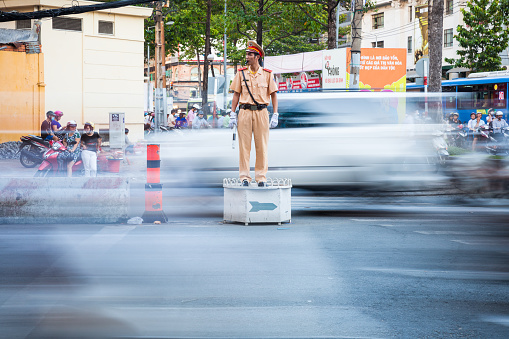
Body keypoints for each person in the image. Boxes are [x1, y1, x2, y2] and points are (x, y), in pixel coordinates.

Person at [229, 40, 278, 187]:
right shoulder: (241, 73)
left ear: (257, 57)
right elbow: (236, 94)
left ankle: (261, 177)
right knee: (244, 147)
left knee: (261, 146)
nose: (247, 56)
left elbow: (274, 95)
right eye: (247, 54)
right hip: (244, 112)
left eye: (250, 54)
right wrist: (232, 113)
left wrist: (275, 114)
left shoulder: (268, 75)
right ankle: (245, 177)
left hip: (262, 113)